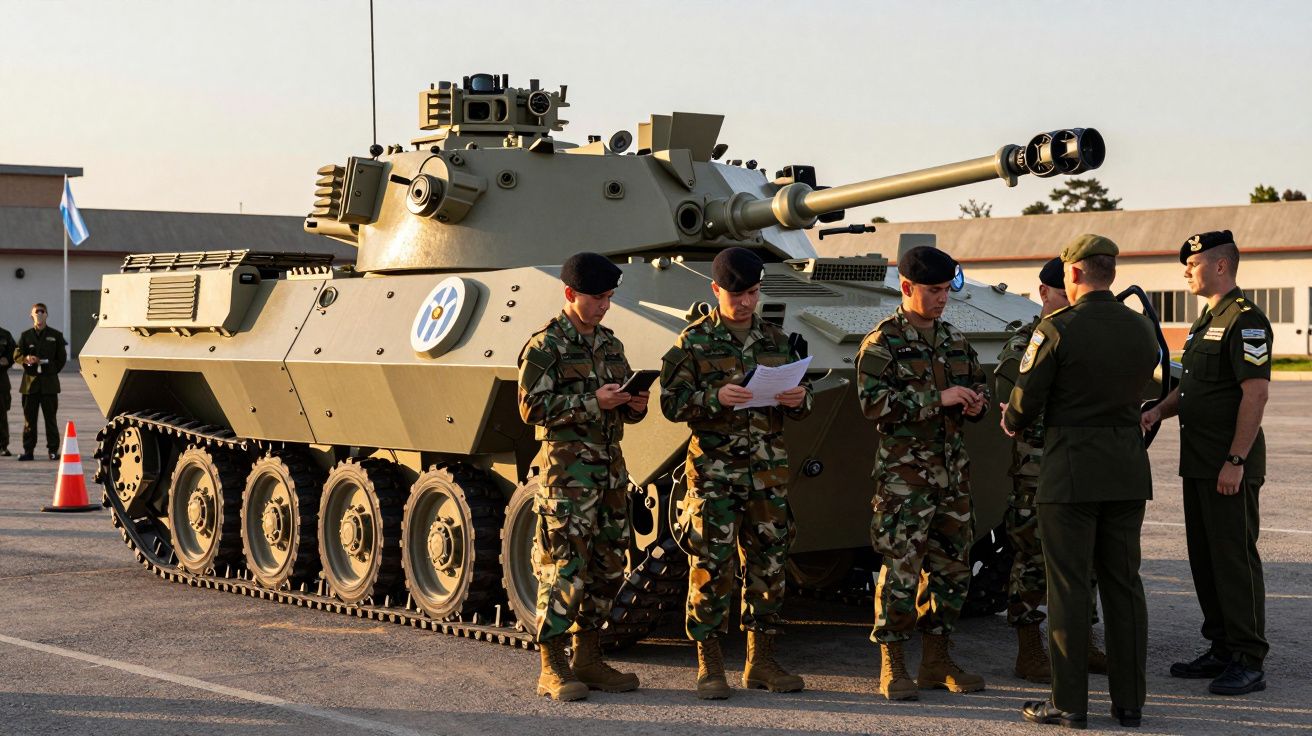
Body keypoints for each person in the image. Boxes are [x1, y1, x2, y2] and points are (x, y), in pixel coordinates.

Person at [1002, 234, 1158, 729]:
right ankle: (1130, 703)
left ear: (1072, 274)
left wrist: (1014, 418)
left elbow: (1025, 404)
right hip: (1128, 470)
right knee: (1124, 587)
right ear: (1109, 272)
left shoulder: (1056, 329)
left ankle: (1068, 704)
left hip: (1070, 473)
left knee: (1068, 588)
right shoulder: (1141, 328)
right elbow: (1146, 386)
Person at [659, 246, 812, 700]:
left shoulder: (776, 340)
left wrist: (800, 400)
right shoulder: (693, 342)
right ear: (716, 290)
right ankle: (710, 666)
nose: (745, 302)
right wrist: (713, 399)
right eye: (736, 294)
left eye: (752, 292)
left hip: (768, 475)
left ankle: (761, 662)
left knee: (769, 565)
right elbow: (670, 403)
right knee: (712, 567)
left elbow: (802, 397)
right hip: (714, 477)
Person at [1140, 230, 1272, 696]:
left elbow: (1254, 393)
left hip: (1227, 463)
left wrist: (1236, 459)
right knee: (1205, 558)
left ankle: (1248, 657)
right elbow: (1193, 388)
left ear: (1219, 266)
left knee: (1234, 558)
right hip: (1197, 462)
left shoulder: (1246, 320)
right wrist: (1158, 409)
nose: (1186, 272)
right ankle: (1220, 647)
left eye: (1192, 264)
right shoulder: (1205, 322)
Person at [855, 245, 989, 701]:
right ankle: (893, 664)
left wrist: (975, 402)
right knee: (901, 572)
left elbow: (976, 386)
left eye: (946, 290)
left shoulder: (954, 340)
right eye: (932, 291)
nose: (941, 299)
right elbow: (874, 404)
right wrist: (940, 399)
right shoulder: (882, 342)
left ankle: (937, 659)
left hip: (953, 477)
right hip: (904, 481)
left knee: (953, 571)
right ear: (907, 287)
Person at [517, 252, 648, 701]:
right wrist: (596, 402)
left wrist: (633, 406)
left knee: (608, 567)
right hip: (567, 480)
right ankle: (551, 667)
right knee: (563, 570)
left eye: (609, 298)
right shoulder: (545, 346)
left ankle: (587, 658)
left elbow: (619, 414)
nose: (604, 306)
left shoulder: (611, 345)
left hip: (611, 476)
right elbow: (530, 409)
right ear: (571, 294)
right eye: (596, 298)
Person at [994, 258, 1107, 684]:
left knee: (1087, 555)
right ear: (1044, 294)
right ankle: (1029, 649)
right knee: (1035, 557)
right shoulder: (1024, 344)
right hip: (1037, 469)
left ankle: (1083, 640)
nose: (1072, 303)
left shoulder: (1088, 338)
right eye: (1064, 295)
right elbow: (1012, 409)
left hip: (1082, 463)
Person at [15, 303, 67, 461]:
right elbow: (17, 355)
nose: (39, 315)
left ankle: (53, 451)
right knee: (29, 420)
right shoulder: (26, 335)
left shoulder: (56, 335)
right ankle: (28, 451)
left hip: (49, 385)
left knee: (50, 420)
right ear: (31, 316)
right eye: (36, 313)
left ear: (46, 315)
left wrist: (48, 367)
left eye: (42, 312)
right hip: (30, 385)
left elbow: (61, 359)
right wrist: (26, 359)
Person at [0, 324, 15, 456]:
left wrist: (8, 360)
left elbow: (14, 352)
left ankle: (3, 446)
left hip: (1, 380)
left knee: (1, 414)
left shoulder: (5, 335)